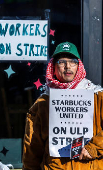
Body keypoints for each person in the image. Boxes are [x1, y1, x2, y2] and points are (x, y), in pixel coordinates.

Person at [22, 42, 103, 170]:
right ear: (53, 66)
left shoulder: (97, 97)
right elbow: (32, 149)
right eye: (61, 62)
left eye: (73, 61)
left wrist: (94, 148)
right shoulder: (43, 103)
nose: (67, 66)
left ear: (79, 66)